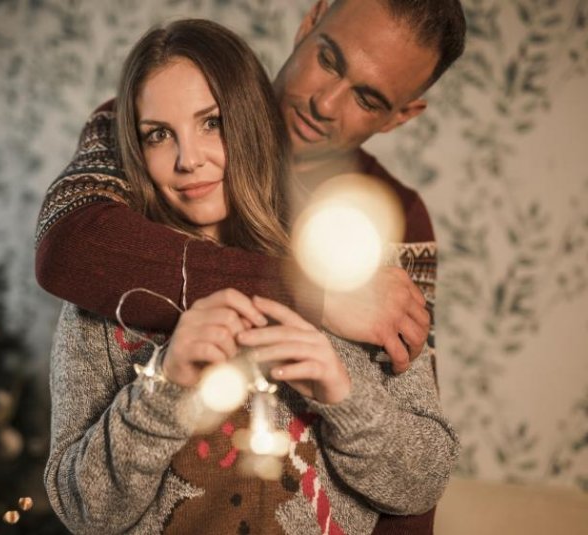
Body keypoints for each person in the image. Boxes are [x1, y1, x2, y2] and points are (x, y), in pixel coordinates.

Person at [38, 0, 466, 532]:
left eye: (367, 97)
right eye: (329, 60)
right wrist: (311, 295)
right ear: (310, 22)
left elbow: (416, 479)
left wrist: (346, 394)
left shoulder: (391, 224)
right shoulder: (163, 96)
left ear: (401, 115)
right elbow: (69, 248)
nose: (324, 103)